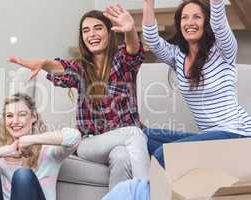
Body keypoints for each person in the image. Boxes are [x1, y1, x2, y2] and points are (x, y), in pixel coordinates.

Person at [102, 0, 251, 199]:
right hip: (210, 135)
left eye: (197, 17)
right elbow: (153, 40)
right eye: (184, 17)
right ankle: (178, 180)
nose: (190, 22)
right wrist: (148, 4)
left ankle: (145, 193)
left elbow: (220, 25)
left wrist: (215, 3)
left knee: (164, 154)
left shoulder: (223, 51)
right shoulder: (178, 56)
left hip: (237, 134)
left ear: (206, 22)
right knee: (144, 136)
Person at [8, 5, 150, 189]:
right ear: (82, 38)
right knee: (135, 133)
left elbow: (133, 50)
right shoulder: (80, 68)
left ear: (109, 32)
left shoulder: (122, 62)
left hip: (121, 143)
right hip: (90, 143)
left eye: (98, 28)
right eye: (86, 30)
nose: (92, 34)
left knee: (122, 156)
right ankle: (148, 192)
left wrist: (130, 30)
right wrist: (44, 63)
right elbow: (60, 67)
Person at [0, 93, 81, 200]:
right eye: (9, 116)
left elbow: (74, 137)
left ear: (34, 117)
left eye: (22, 114)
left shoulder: (49, 150)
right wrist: (5, 150)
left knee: (23, 175)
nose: (15, 121)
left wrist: (31, 139)